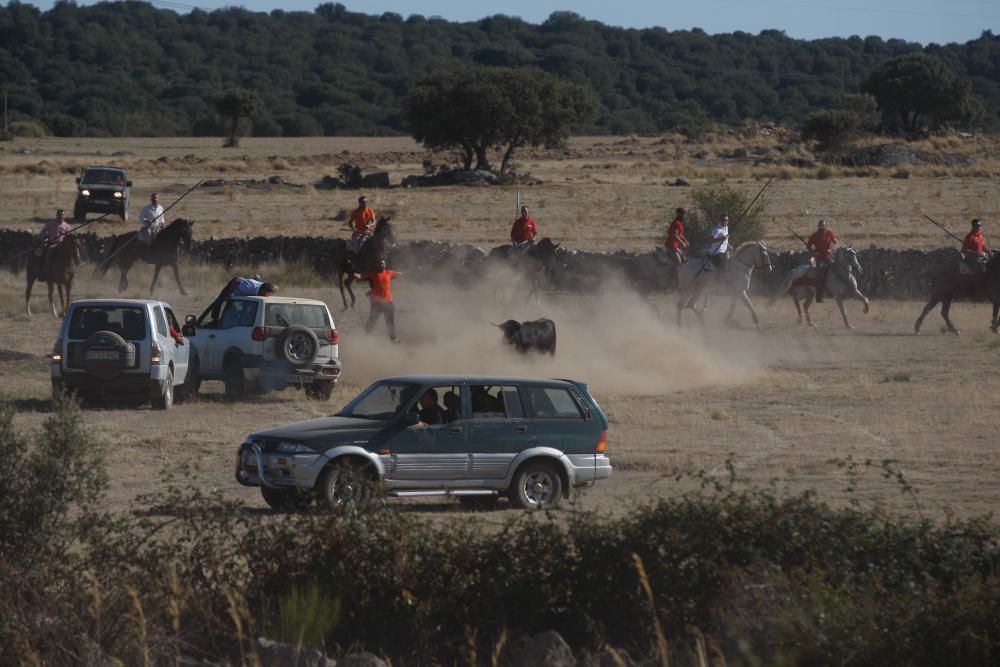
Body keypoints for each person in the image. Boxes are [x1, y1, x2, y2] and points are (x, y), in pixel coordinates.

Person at [355, 259, 401, 343]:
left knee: (390, 322)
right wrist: (354, 274)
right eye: (380, 264)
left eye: (382, 264)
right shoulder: (372, 274)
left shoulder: (389, 273)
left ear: (385, 265)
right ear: (377, 266)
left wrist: (409, 273)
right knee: (372, 319)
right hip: (377, 303)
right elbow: (361, 276)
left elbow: (401, 274)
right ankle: (366, 337)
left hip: (388, 302)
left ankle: (393, 339)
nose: (381, 265)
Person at [202, 276, 278, 324]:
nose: (267, 296)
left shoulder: (263, 289)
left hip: (251, 284)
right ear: (263, 291)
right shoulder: (249, 288)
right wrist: (228, 295)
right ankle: (215, 319)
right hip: (236, 282)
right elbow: (236, 282)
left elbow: (274, 288)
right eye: (267, 294)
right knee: (220, 300)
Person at [807, 219, 838, 303]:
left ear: (825, 226)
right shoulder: (814, 235)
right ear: (818, 226)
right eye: (820, 225)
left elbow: (835, 243)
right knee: (818, 274)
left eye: (823, 225)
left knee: (838, 269)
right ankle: (819, 296)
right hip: (819, 258)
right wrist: (814, 252)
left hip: (829, 256)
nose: (821, 227)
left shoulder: (829, 233)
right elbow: (808, 246)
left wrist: (831, 249)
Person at [39, 208, 72, 278]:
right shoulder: (50, 223)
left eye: (62, 215)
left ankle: (70, 273)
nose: (61, 216)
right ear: (56, 215)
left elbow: (68, 237)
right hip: (52, 243)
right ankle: (46, 272)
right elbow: (43, 232)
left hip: (62, 245)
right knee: (49, 250)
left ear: (64, 216)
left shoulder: (67, 226)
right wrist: (46, 236)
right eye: (59, 215)